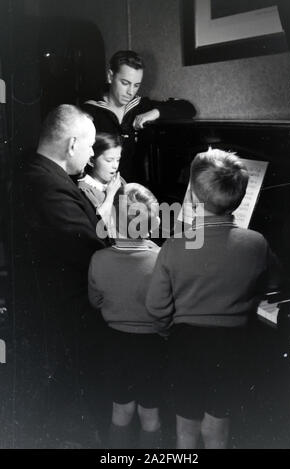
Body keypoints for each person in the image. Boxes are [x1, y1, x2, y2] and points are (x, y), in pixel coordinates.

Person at [146, 148, 280, 449]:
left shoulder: (175, 244)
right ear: (242, 196)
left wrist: (170, 330)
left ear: (192, 197)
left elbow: (156, 307)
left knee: (186, 429)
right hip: (234, 347)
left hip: (187, 346)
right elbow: (274, 282)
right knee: (218, 428)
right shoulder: (256, 242)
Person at [13, 104, 107, 447]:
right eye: (91, 145)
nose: (94, 153)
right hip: (67, 314)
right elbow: (90, 252)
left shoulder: (37, 170)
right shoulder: (47, 186)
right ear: (71, 146)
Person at [88, 183, 164, 448]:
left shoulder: (98, 258)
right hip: (153, 346)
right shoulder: (161, 259)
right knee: (150, 415)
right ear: (153, 224)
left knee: (120, 412)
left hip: (116, 345)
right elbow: (168, 307)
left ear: (112, 221)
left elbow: (95, 300)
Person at [81, 50, 196, 181]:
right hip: (97, 191)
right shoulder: (89, 110)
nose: (130, 92)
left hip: (134, 190)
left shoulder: (140, 106)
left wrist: (154, 113)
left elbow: (188, 108)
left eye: (136, 85)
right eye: (125, 83)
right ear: (110, 76)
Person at [77, 132, 125, 235]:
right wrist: (110, 195)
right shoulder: (85, 190)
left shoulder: (119, 181)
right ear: (91, 161)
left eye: (118, 160)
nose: (115, 166)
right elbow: (98, 224)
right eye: (109, 160)